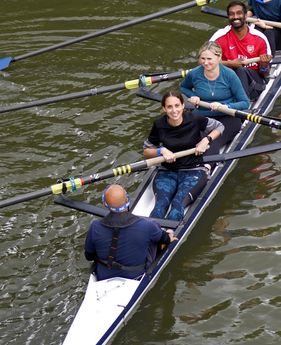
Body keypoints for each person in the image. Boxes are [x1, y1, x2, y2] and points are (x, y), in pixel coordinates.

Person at [144, 90, 224, 221]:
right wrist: (161, 151)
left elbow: (219, 127)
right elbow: (147, 151)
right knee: (160, 205)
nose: (174, 110)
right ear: (164, 108)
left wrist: (206, 140)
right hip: (167, 171)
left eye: (177, 105)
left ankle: (170, 235)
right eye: (169, 107)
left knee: (177, 205)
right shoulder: (159, 124)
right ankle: (152, 235)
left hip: (194, 171)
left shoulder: (194, 120)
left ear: (183, 106)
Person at [84, 184, 178, 281]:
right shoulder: (146, 225)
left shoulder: (95, 226)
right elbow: (165, 239)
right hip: (135, 276)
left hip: (103, 276)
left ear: (104, 204)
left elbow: (89, 256)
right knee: (155, 226)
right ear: (127, 201)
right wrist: (169, 237)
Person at [180, 41, 250, 158]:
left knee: (211, 143)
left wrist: (226, 106)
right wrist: (192, 95)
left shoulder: (229, 75)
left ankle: (206, 169)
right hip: (202, 116)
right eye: (203, 58)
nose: (205, 63)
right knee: (189, 141)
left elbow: (245, 103)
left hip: (226, 117)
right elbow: (183, 87)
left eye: (209, 59)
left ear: (219, 58)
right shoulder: (194, 74)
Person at [210, 1, 273, 100]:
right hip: (227, 83)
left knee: (241, 71)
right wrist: (230, 63)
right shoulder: (219, 36)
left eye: (239, 13)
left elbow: (265, 74)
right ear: (228, 17)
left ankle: (242, 106)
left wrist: (264, 65)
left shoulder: (259, 38)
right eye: (231, 14)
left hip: (254, 85)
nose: (235, 17)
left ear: (246, 15)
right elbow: (202, 63)